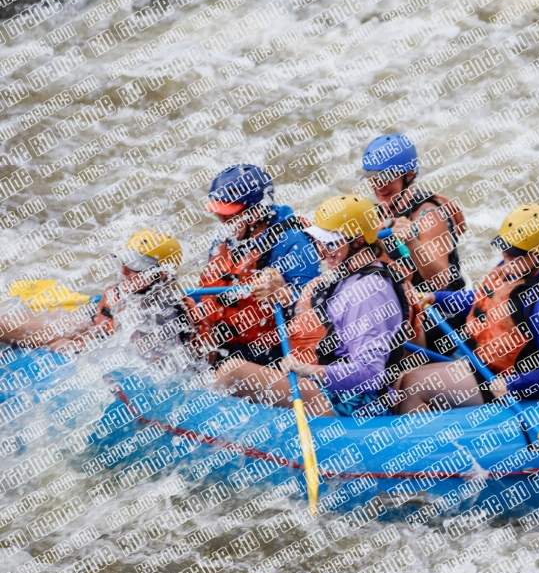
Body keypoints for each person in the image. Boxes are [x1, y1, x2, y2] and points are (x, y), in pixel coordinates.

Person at [214, 195, 419, 418]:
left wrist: (308, 370)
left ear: (358, 241)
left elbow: (371, 374)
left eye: (332, 241)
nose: (322, 249)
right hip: (331, 389)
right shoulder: (347, 275)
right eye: (321, 240)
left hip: (353, 403)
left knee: (232, 372)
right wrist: (285, 296)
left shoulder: (367, 290)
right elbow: (321, 318)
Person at [395, 204, 539, 414]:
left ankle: (427, 444)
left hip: (511, 382)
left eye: (514, 253)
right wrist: (437, 297)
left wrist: (513, 384)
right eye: (505, 247)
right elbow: (483, 301)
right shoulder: (516, 268)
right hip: (486, 365)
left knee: (412, 388)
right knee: (403, 376)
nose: (505, 256)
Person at [0, 231, 205, 359]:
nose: (124, 271)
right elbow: (104, 331)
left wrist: (78, 348)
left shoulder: (165, 315)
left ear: (160, 274)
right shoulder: (127, 291)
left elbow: (139, 364)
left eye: (135, 267)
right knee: (9, 322)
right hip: (99, 332)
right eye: (125, 261)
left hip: (111, 347)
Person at [198, 164, 320, 367]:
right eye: (219, 213)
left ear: (256, 212)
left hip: (272, 357)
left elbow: (318, 311)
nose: (222, 220)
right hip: (223, 345)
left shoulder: (293, 244)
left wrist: (286, 295)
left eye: (229, 214)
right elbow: (208, 295)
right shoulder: (224, 240)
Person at [362, 134, 467, 294]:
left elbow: (440, 282)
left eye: (386, 177)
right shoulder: (377, 213)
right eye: (373, 178)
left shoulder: (429, 216)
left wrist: (412, 243)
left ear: (409, 175)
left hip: (439, 308)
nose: (379, 186)